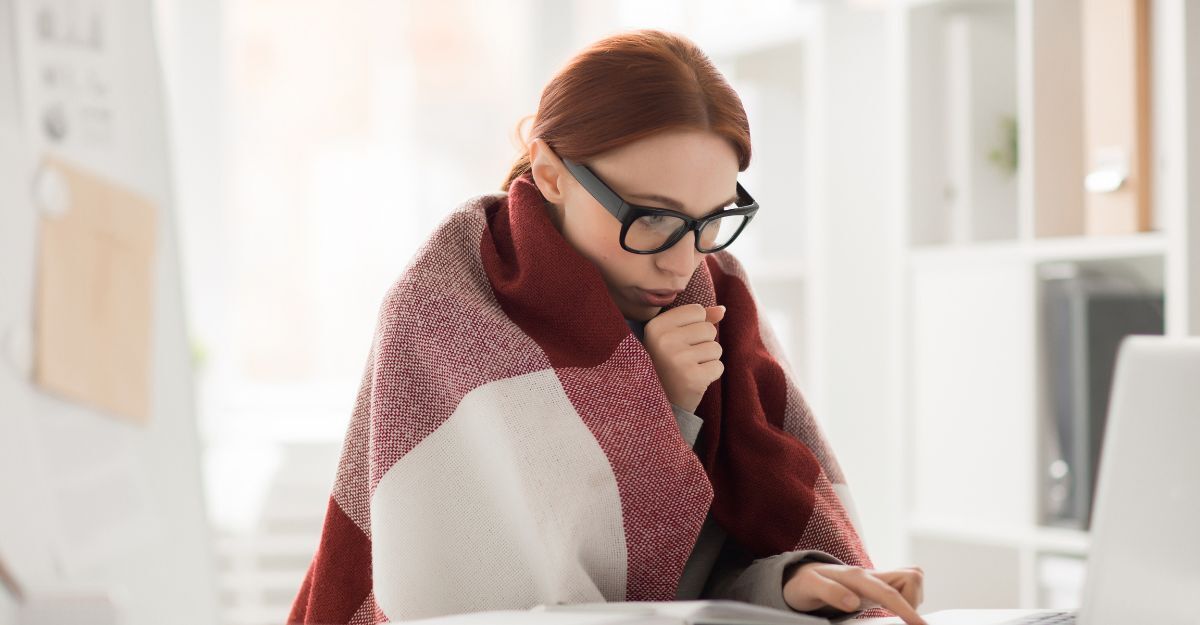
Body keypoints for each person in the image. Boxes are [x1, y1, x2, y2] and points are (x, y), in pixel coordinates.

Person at [288, 29, 925, 625]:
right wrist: (661, 402)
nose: (682, 262)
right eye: (653, 217)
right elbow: (532, 591)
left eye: (711, 220)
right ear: (550, 174)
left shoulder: (719, 296)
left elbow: (686, 584)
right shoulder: (447, 307)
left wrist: (791, 583)